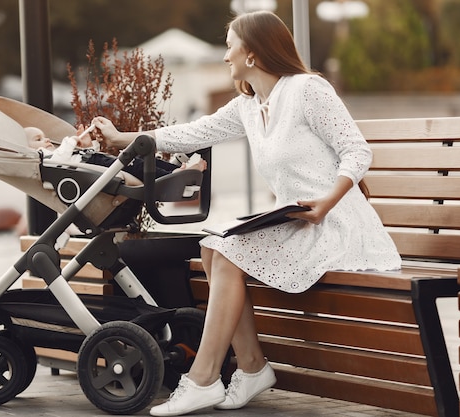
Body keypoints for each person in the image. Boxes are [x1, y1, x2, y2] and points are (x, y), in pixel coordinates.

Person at [90, 10, 402, 417]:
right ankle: (251, 367)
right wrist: (121, 138)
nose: (225, 57)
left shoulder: (308, 89)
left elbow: (358, 151)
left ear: (252, 54)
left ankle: (204, 378)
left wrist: (326, 202)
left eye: (229, 46)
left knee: (226, 250)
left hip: (338, 224)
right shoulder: (249, 107)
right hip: (295, 222)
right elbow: (190, 133)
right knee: (214, 246)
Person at [24, 126, 207, 184]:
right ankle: (172, 177)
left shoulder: (53, 152)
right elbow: (60, 160)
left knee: (142, 161)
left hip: (96, 162)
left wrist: (88, 144)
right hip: (99, 167)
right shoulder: (42, 157)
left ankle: (178, 169)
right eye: (38, 139)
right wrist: (69, 141)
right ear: (29, 148)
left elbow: (83, 156)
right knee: (136, 166)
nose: (46, 139)